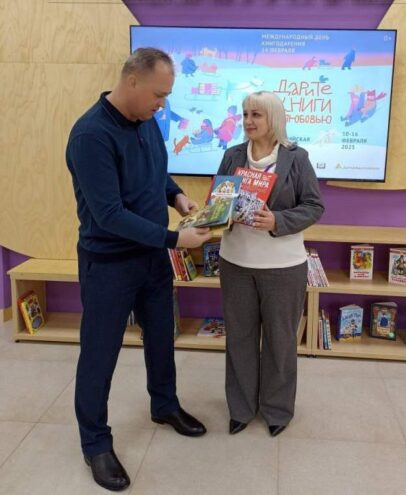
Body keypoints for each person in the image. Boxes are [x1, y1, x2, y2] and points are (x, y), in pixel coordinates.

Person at [66, 48, 213, 492]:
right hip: (109, 264)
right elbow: (109, 214)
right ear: (132, 81)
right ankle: (95, 443)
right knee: (100, 354)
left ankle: (164, 405)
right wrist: (175, 240)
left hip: (151, 259)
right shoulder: (90, 136)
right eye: (158, 95)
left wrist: (177, 196)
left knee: (162, 337)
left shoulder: (146, 120)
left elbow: (156, 174)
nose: (162, 105)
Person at [216, 91, 324, 437]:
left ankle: (277, 410)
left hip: (283, 266)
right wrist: (218, 214)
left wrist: (277, 220)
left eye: (256, 115)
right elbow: (219, 202)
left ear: (273, 118)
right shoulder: (232, 155)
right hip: (236, 262)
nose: (248, 121)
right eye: (245, 114)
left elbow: (313, 206)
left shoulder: (297, 158)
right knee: (240, 339)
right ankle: (241, 409)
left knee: (280, 341)